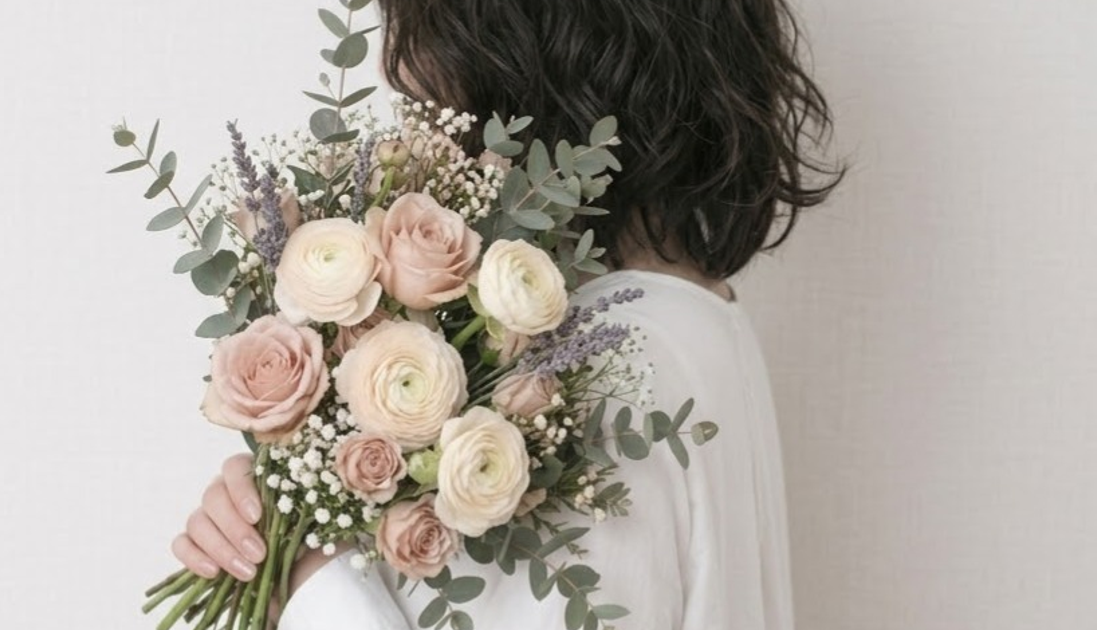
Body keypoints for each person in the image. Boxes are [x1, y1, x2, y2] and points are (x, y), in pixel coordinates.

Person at [170, 1, 844, 628]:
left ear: (534, 47)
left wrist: (311, 579)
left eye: (426, 31)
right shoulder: (687, 325)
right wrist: (288, 517)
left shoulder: (608, 373)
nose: (398, 73)